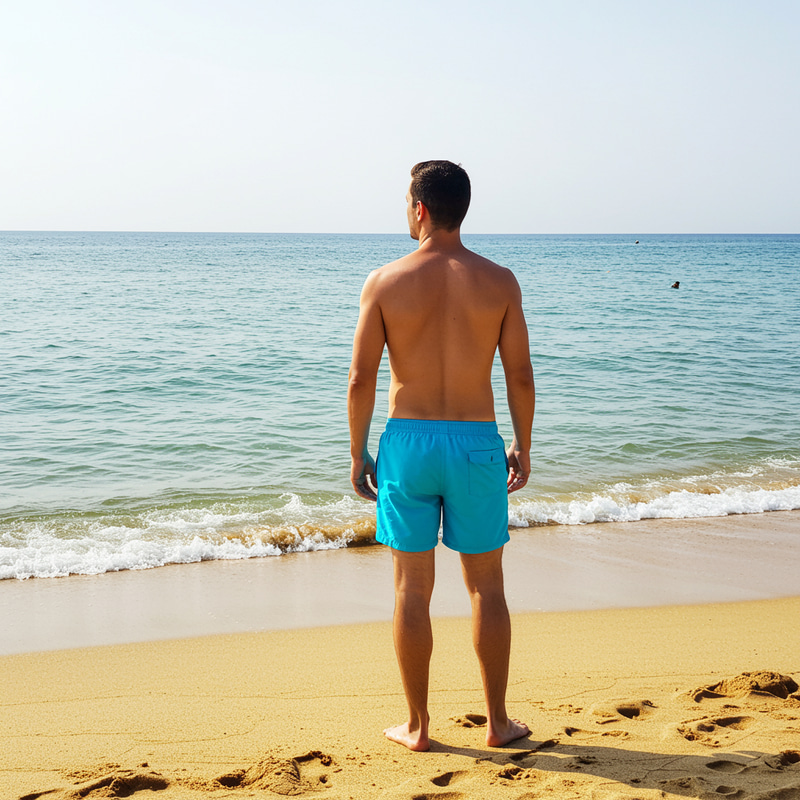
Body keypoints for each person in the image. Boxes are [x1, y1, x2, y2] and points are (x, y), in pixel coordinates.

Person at [347, 160, 535, 752]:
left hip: (408, 442)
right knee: (487, 587)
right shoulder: (500, 281)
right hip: (477, 440)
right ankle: (499, 723)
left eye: (407, 201)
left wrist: (357, 453)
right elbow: (521, 376)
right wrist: (522, 445)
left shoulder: (384, 282)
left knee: (411, 588)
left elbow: (360, 379)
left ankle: (418, 726)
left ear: (420, 208)